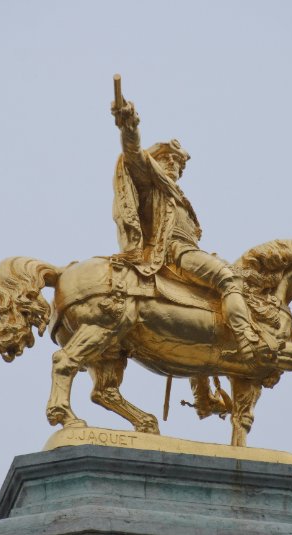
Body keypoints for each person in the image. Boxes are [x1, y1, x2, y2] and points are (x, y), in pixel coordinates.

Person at [111, 98, 270, 362]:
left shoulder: (177, 196)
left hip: (188, 251)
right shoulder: (151, 185)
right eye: (169, 161)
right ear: (156, 162)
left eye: (179, 165)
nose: (175, 166)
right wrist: (130, 124)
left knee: (212, 304)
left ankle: (203, 389)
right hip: (174, 253)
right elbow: (133, 152)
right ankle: (246, 339)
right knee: (227, 279)